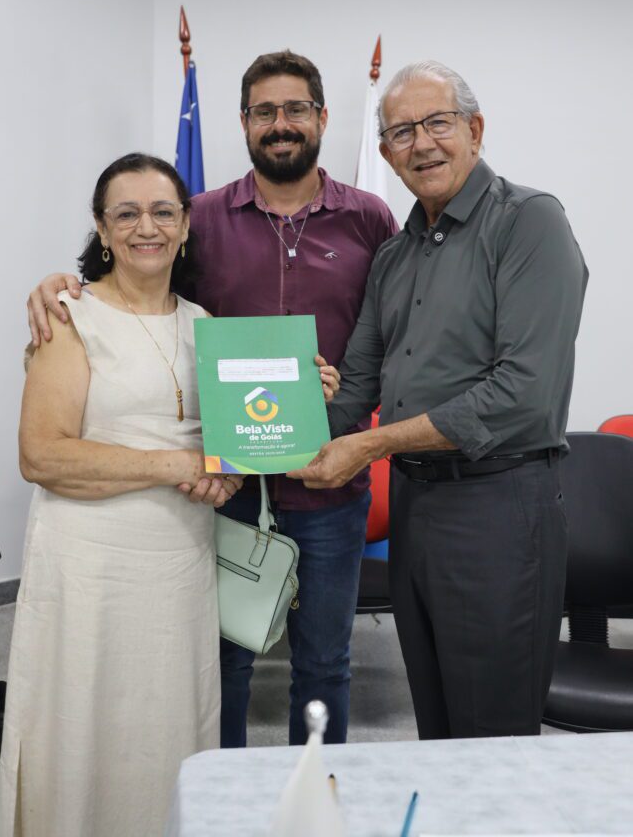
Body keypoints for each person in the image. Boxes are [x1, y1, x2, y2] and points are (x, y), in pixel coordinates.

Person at [26, 50, 399, 747]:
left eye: (295, 109)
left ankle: (315, 795)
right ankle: (217, 795)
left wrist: (340, 402)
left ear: (322, 118)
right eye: (264, 111)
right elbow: (136, 290)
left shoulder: (370, 219)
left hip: (328, 483)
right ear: (243, 122)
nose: (280, 123)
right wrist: (57, 285)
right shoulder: (199, 217)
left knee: (324, 664)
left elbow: (392, 336)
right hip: (225, 487)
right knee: (221, 661)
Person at [290, 60, 589, 740]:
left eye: (437, 123)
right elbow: (357, 386)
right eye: (401, 132)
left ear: (474, 130)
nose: (421, 143)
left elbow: (522, 396)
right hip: (416, 510)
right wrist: (268, 419)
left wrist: (370, 444)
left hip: (499, 508)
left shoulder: (528, 223)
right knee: (438, 732)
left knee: (492, 738)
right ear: (386, 152)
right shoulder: (394, 258)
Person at [0, 154, 245, 837]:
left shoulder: (205, 324)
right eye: (126, 214)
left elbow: (224, 445)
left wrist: (230, 468)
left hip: (179, 565)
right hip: (89, 569)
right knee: (82, 724)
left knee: (166, 724)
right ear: (102, 230)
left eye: (163, 212)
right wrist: (178, 464)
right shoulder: (70, 316)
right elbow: (41, 456)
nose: (146, 227)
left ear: (185, 226)